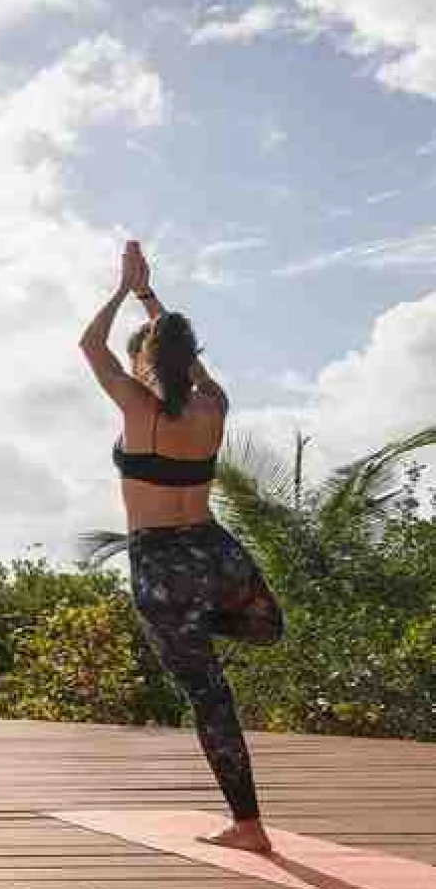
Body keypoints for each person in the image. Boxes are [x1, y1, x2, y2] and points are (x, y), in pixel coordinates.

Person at [81, 240, 284, 853]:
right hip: (216, 554)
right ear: (192, 359)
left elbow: (90, 347)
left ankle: (248, 825)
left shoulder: (137, 408)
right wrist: (151, 299)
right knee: (268, 627)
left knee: (208, 695)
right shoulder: (213, 408)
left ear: (146, 361)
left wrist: (122, 288)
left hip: (164, 570)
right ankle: (206, 622)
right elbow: (182, 357)